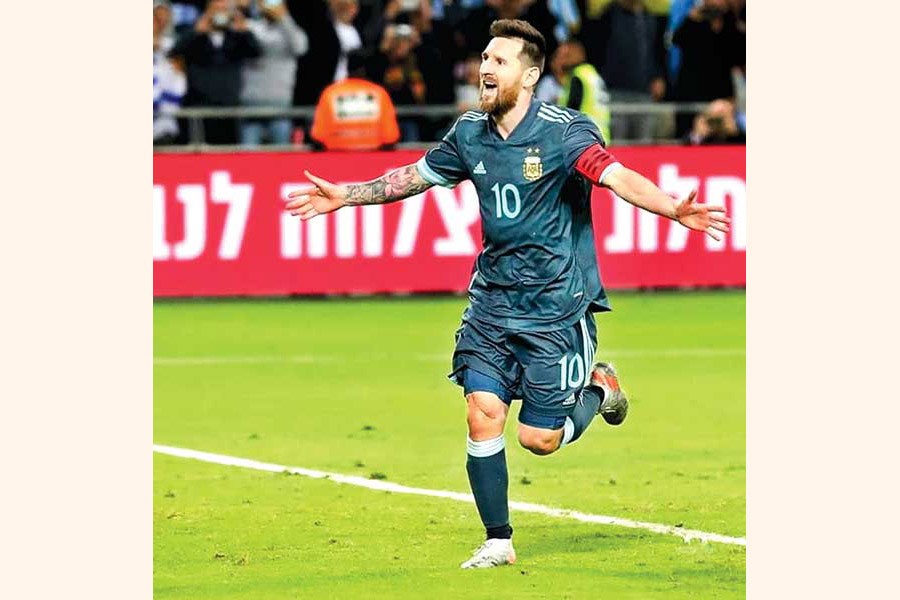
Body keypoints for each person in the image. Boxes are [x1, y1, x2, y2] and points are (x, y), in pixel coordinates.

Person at [285, 18, 729, 568]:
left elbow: (614, 176)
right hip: (491, 303)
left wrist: (670, 207)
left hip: (555, 308)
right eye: (484, 59)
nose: (486, 69)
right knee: (481, 412)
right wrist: (347, 195)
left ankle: (599, 386)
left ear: (531, 73)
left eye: (499, 61)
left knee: (538, 440)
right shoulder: (469, 133)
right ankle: (498, 539)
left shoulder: (566, 131)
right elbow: (412, 178)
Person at [169, 0, 261, 144]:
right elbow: (175, 51)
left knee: (229, 157)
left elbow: (257, 52)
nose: (220, 13)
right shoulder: (195, 35)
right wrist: (196, 31)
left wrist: (245, 31)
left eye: (224, 9)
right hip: (199, 108)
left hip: (229, 108)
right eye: (216, 9)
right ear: (207, 11)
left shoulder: (236, 37)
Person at [239, 0, 309, 146]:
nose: (271, 6)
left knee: (281, 158)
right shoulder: (252, 27)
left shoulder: (290, 30)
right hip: (251, 104)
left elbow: (301, 47)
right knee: (247, 158)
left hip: (280, 104)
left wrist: (283, 18)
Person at [309, 50, 401, 150]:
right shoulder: (379, 93)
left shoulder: (330, 93)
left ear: (347, 68)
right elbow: (390, 137)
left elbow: (318, 136)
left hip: (336, 158)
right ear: (365, 68)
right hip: (373, 158)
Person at [555, 40, 611, 145]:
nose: (559, 59)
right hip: (600, 134)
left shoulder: (578, 76)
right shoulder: (591, 73)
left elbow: (571, 109)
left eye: (563, 55)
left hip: (583, 137)